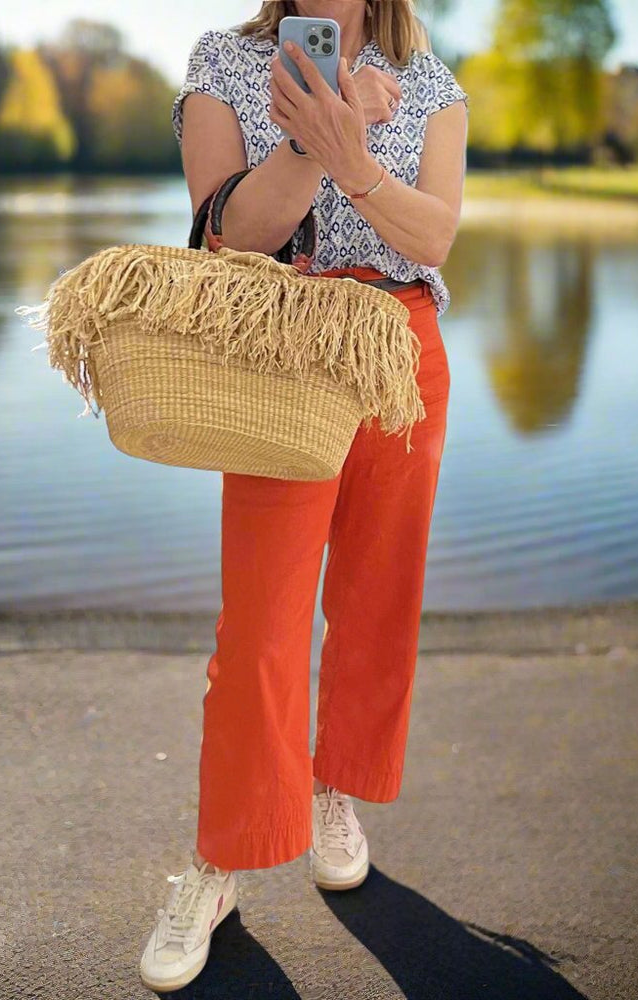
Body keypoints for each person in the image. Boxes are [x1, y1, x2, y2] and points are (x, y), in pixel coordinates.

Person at [140, 0, 469, 990]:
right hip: (282, 350)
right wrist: (317, 141)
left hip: (401, 350)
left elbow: (435, 235)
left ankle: (334, 788)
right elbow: (228, 234)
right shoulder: (225, 62)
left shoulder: (435, 82)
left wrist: (357, 147)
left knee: (375, 603)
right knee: (261, 628)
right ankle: (219, 858)